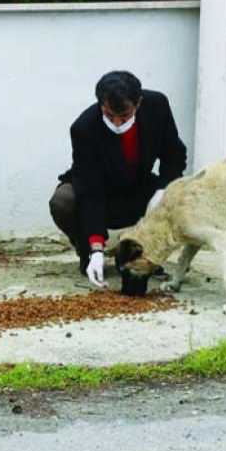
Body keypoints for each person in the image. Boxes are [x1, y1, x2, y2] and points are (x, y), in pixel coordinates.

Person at [50, 70, 187, 288]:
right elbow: (89, 190)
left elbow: (174, 155)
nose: (116, 123)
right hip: (101, 193)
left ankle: (142, 254)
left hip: (139, 187)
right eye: (109, 115)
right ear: (100, 105)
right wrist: (95, 246)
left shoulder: (157, 106)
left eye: (124, 117)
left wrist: (164, 190)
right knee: (64, 200)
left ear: (139, 103)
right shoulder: (84, 129)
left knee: (180, 194)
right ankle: (89, 256)